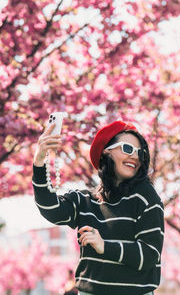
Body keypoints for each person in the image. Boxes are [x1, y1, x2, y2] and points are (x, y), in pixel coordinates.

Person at [32, 120, 164, 295]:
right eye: (127, 149)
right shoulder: (85, 200)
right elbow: (50, 208)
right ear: (105, 153)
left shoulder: (146, 197)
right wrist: (39, 161)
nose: (135, 156)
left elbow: (150, 255)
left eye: (140, 152)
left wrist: (104, 246)